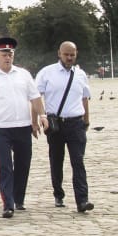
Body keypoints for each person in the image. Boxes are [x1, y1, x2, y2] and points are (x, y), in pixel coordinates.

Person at [0, 37, 45, 218]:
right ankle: (8, 203)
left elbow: (35, 98)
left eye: (10, 53)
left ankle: (18, 198)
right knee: (5, 166)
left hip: (22, 126)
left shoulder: (23, 75)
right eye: (4, 54)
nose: (7, 57)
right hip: (1, 127)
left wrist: (41, 116)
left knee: (23, 164)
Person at [35, 41, 94, 214]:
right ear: (59, 53)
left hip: (76, 123)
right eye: (66, 54)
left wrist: (86, 121)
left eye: (72, 55)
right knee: (56, 159)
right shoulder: (47, 73)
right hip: (55, 123)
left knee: (78, 161)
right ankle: (58, 193)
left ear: (76, 54)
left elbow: (85, 98)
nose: (69, 58)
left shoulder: (81, 75)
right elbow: (36, 97)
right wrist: (38, 118)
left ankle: (82, 200)